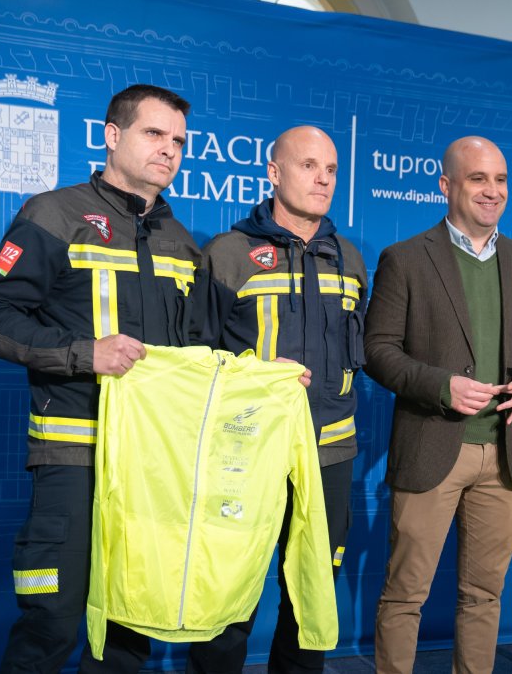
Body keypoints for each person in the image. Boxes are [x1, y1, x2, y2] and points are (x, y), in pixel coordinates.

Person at [0, 84, 199, 673]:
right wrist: (82, 354)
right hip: (74, 455)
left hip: (150, 465)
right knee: (52, 622)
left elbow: (200, 354)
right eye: (153, 133)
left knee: (128, 627)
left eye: (178, 141)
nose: (168, 149)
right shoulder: (55, 214)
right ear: (112, 136)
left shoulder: (181, 242)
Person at [364, 136, 512, 674]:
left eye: (500, 180)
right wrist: (440, 386)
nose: (492, 191)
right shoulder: (405, 258)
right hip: (431, 446)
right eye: (478, 179)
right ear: (447, 186)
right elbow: (377, 351)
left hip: (505, 455)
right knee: (405, 596)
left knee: (484, 596)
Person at [187, 125, 367, 674]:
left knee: (310, 600)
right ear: (273, 172)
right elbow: (195, 361)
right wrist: (255, 377)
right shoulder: (228, 253)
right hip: (246, 454)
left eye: (332, 169)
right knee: (229, 599)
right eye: (309, 165)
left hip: (329, 454)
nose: (322, 179)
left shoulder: (350, 259)